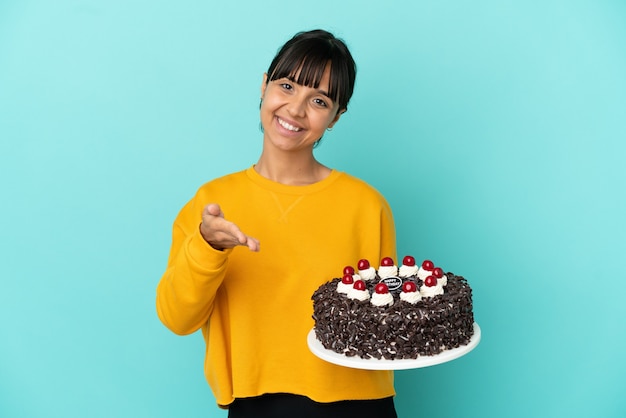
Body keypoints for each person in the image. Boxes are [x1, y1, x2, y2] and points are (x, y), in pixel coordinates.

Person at [156, 29, 398, 418]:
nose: (296, 109)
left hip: (359, 404)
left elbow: (382, 322)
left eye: (319, 100)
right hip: (255, 403)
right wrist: (207, 246)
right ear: (264, 86)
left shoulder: (366, 206)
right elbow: (177, 319)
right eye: (286, 86)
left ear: (336, 116)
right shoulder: (212, 204)